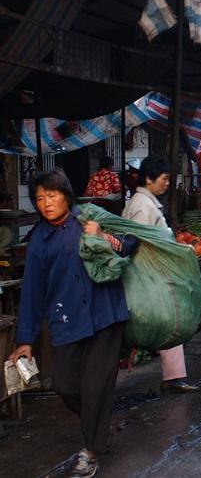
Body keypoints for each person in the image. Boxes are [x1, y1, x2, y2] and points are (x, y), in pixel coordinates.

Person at [10, 169, 138, 478]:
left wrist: (106, 238)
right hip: (67, 320)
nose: (46, 203)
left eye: (52, 196)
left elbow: (132, 241)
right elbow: (32, 291)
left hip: (105, 315)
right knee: (64, 385)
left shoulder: (90, 217)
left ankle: (91, 451)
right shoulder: (39, 240)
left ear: (66, 195)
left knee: (95, 387)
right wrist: (25, 339)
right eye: (39, 198)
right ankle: (99, 424)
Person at [121, 157, 198, 393]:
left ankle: (174, 376)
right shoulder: (142, 206)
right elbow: (139, 242)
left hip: (151, 274)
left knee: (168, 318)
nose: (167, 183)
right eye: (164, 179)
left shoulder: (147, 203)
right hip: (146, 275)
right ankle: (173, 377)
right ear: (149, 179)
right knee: (168, 318)